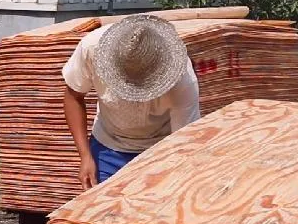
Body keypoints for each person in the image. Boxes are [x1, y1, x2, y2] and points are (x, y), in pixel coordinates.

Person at [62, 14, 201, 189]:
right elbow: (73, 96)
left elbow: (183, 143)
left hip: (160, 149)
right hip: (108, 146)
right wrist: (85, 156)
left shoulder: (182, 79)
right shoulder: (92, 48)